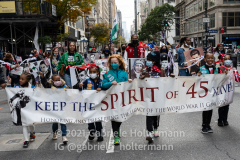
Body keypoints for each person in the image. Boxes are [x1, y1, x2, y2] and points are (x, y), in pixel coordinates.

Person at [102, 54, 132, 145]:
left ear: (119, 63)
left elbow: (127, 84)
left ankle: (118, 128)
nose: (113, 64)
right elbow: (103, 85)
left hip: (122, 98)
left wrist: (129, 81)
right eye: (112, 63)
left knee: (121, 116)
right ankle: (116, 136)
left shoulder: (124, 73)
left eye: (115, 62)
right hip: (112, 98)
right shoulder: (108, 74)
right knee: (114, 117)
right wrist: (111, 83)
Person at [139, 52, 165, 142]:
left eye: (150, 60)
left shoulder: (161, 70)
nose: (148, 61)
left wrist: (171, 78)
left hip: (158, 96)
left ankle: (155, 128)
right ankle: (149, 132)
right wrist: (142, 77)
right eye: (147, 60)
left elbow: (165, 82)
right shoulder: (145, 70)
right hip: (148, 96)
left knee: (156, 114)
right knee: (149, 113)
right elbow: (139, 80)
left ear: (155, 61)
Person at [8, 72, 36, 148]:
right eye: (20, 78)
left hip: (30, 110)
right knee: (24, 124)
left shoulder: (33, 88)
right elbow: (11, 92)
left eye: (22, 79)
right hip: (21, 110)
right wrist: (9, 84)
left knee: (30, 124)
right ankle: (26, 140)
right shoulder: (17, 87)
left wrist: (37, 90)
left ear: (28, 80)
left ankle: (32, 133)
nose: (20, 80)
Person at [39, 72, 69, 143]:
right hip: (54, 108)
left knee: (63, 122)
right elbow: (45, 84)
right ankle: (54, 133)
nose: (57, 82)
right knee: (55, 122)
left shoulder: (65, 86)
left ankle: (64, 136)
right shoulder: (50, 87)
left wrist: (69, 89)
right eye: (55, 80)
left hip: (62, 108)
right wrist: (42, 77)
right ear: (52, 81)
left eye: (58, 80)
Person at [78, 63, 103, 142]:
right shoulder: (87, 81)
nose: (92, 74)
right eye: (91, 72)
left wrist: (100, 88)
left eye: (94, 72)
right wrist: (80, 85)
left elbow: (106, 89)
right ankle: (92, 132)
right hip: (88, 104)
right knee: (90, 120)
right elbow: (80, 89)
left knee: (98, 120)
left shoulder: (101, 81)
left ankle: (99, 134)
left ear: (98, 73)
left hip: (98, 104)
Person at [197, 52, 219, 134]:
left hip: (212, 92)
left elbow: (219, 79)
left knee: (210, 109)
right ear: (205, 59)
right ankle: (204, 125)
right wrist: (198, 75)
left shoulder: (215, 69)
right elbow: (196, 80)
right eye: (208, 58)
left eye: (212, 58)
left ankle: (208, 125)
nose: (210, 60)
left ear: (214, 59)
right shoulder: (201, 69)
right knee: (205, 109)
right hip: (204, 93)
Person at [217, 54, 240, 127]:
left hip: (229, 90)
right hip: (222, 89)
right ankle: (220, 120)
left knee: (227, 105)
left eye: (228, 59)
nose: (227, 60)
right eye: (226, 59)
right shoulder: (220, 68)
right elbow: (218, 79)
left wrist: (235, 72)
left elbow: (237, 79)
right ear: (223, 60)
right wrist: (224, 72)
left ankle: (225, 119)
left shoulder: (233, 69)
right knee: (221, 105)